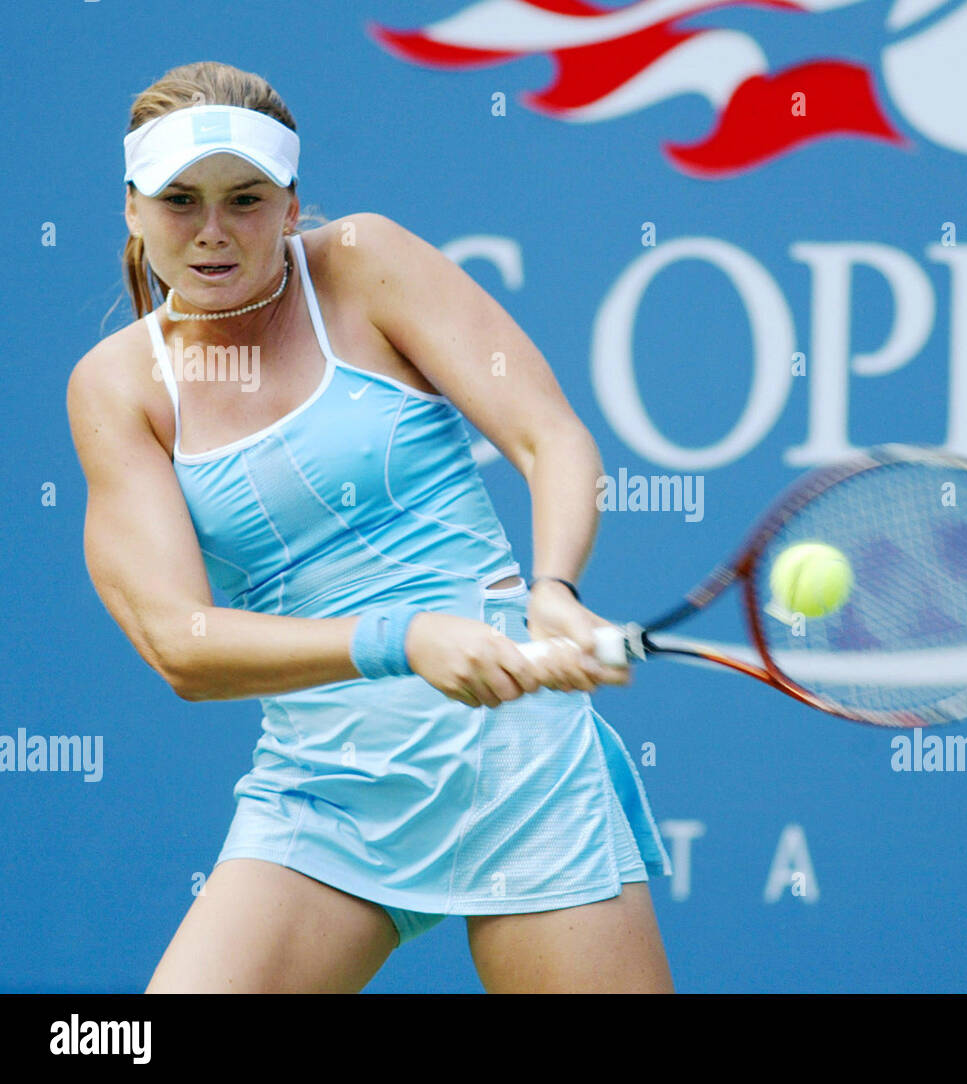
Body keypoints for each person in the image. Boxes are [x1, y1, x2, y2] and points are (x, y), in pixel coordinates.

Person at [66, 61, 674, 994]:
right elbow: (178, 644)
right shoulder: (117, 386)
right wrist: (403, 641)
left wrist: (553, 587)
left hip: (519, 765)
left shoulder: (365, 261)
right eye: (180, 201)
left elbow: (551, 438)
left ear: (293, 202)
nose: (215, 232)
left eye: (247, 198)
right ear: (133, 212)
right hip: (324, 794)